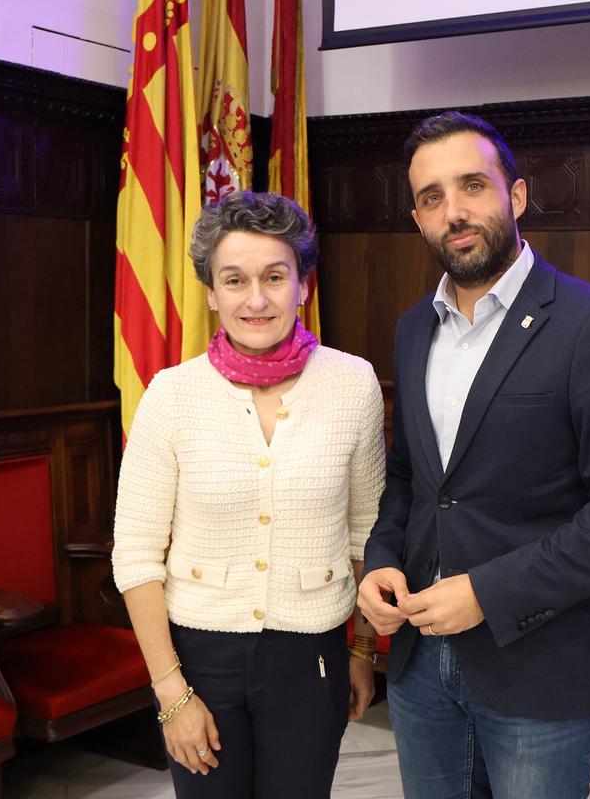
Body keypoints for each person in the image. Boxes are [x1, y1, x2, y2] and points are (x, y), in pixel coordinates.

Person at [357, 112, 590, 799]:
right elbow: (411, 479)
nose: (454, 211)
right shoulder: (413, 330)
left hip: (542, 674)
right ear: (418, 219)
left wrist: (487, 593)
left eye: (472, 185)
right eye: (432, 197)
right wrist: (381, 561)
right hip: (418, 668)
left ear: (517, 195)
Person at [112, 191, 385, 798]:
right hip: (197, 659)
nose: (255, 300)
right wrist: (170, 691)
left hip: (312, 654)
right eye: (235, 280)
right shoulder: (170, 394)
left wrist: (363, 649)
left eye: (274, 277)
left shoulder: (353, 383)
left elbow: (367, 533)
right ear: (212, 292)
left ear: (303, 285)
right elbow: (135, 555)